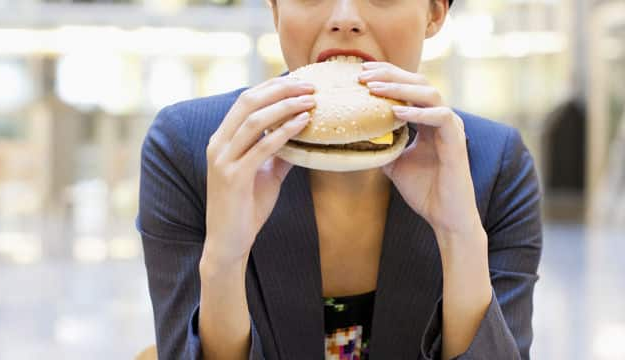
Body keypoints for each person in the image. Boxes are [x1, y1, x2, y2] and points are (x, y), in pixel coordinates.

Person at [136, 0, 542, 358]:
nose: (345, 19)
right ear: (275, 7)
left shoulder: (494, 163)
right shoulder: (192, 147)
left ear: (434, 13)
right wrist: (225, 259)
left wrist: (460, 239)